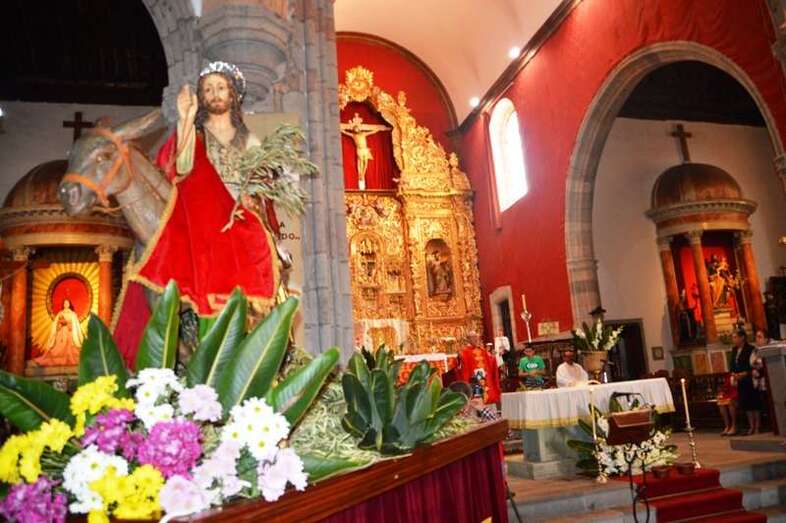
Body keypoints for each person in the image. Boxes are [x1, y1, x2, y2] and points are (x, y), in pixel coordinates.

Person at [114, 62, 282, 365]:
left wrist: (251, 193)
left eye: (220, 88)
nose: (214, 94)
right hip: (200, 215)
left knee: (259, 243)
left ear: (232, 95)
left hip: (237, 214)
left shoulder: (249, 141)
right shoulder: (196, 135)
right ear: (201, 98)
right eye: (207, 89)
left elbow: (262, 182)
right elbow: (181, 167)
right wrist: (185, 120)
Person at [34, 299, 84, 366]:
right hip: (61, 332)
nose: (66, 304)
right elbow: (56, 323)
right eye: (65, 303)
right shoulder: (60, 313)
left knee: (71, 347)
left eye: (67, 303)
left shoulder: (72, 314)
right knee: (58, 346)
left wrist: (69, 323)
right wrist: (60, 323)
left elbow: (75, 324)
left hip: (69, 332)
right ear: (63, 305)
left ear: (69, 304)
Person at [730, 329, 761, 435]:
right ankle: (751, 426)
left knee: (754, 403)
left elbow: (753, 364)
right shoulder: (734, 349)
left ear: (742, 337)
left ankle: (757, 426)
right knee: (746, 404)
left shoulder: (750, 349)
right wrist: (734, 374)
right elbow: (732, 364)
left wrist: (744, 373)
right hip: (740, 381)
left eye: (735, 337)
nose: (733, 339)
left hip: (750, 379)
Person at [458, 331, 501, 404]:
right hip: (475, 378)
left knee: (487, 395)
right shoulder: (465, 352)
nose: (476, 339)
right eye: (473, 337)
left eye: (476, 337)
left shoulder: (482, 350)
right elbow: (463, 368)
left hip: (485, 376)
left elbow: (490, 361)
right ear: (468, 339)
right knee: (478, 396)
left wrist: (493, 357)